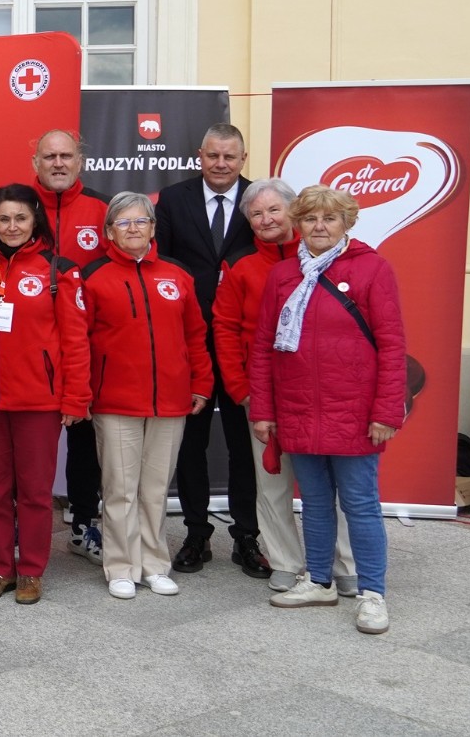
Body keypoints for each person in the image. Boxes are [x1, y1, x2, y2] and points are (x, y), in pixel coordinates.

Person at [250, 185, 406, 634]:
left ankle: (372, 593)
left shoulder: (373, 268)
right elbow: (263, 347)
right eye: (310, 218)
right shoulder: (283, 275)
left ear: (346, 223)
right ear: (298, 223)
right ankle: (319, 581)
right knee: (315, 503)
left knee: (360, 504)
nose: (319, 226)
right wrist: (264, 409)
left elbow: (392, 345)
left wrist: (386, 412)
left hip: (354, 411)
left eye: (329, 218)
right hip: (298, 407)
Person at [214, 178, 357, 594]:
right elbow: (223, 328)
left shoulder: (324, 257)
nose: (266, 220)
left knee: (329, 482)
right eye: (256, 214)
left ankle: (344, 563)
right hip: (261, 391)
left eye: (274, 210)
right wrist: (240, 387)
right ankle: (284, 561)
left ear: (292, 212)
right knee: (271, 482)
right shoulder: (238, 264)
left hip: (317, 391)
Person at [0, 184, 90, 605]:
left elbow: (76, 340)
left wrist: (75, 398)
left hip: (39, 402)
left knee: (33, 492)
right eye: (3, 219)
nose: (12, 226)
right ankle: (0, 569)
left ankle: (30, 570)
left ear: (35, 221)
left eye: (21, 218)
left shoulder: (58, 271)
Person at [80, 192, 212, 600]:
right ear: (109, 232)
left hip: (170, 401)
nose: (133, 229)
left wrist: (201, 383)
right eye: (123, 222)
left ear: (154, 228)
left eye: (141, 221)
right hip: (114, 401)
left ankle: (154, 564)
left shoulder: (177, 274)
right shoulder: (93, 276)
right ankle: (121, 566)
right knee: (120, 488)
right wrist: (81, 391)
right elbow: (78, 340)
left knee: (155, 489)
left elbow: (195, 335)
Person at [153, 123, 267, 577]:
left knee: (243, 446)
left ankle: (247, 537)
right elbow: (162, 262)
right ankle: (196, 534)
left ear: (243, 159)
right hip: (191, 340)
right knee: (191, 444)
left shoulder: (260, 200)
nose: (221, 164)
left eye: (230, 157)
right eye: (213, 155)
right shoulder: (173, 199)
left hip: (242, 343)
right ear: (199, 155)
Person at [29, 129, 110, 565]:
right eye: (49, 157)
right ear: (36, 164)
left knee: (83, 440)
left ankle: (82, 525)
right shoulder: (19, 206)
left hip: (86, 345)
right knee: (30, 443)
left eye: (66, 156)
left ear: (80, 162)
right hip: (31, 347)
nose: (58, 163)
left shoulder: (103, 208)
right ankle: (27, 525)